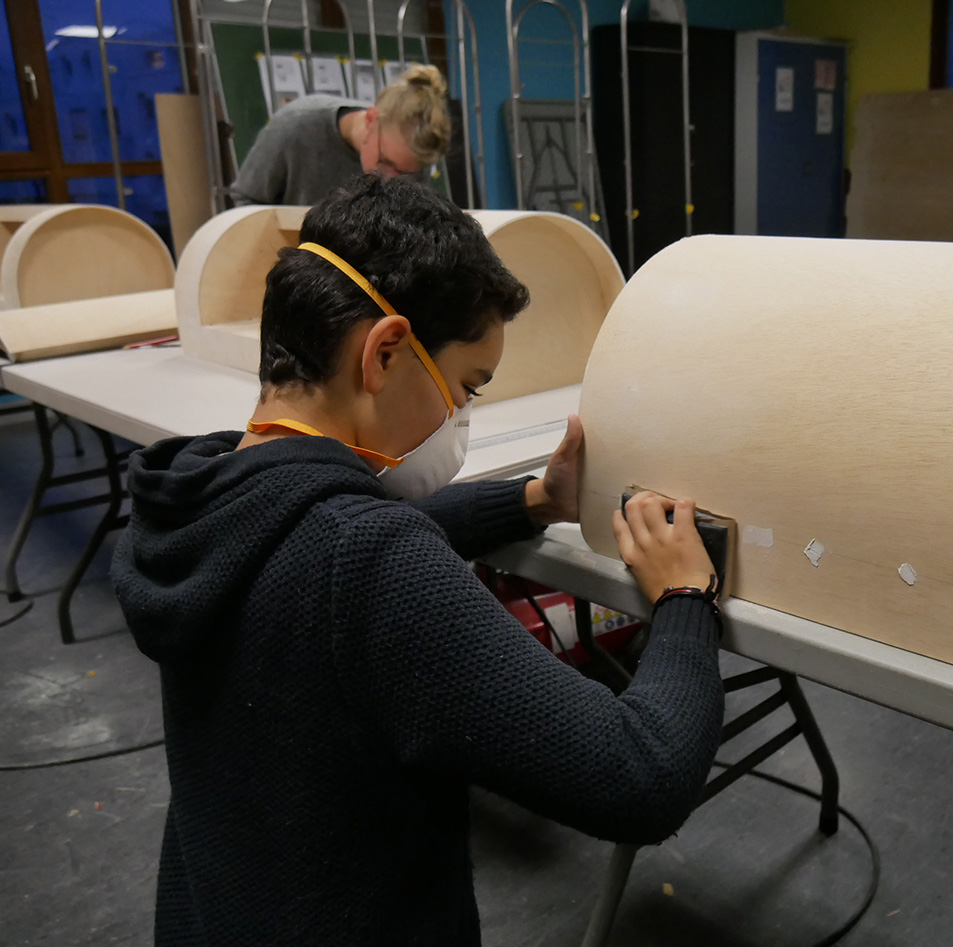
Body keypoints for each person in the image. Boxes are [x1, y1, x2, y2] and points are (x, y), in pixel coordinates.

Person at [112, 173, 727, 945]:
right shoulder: (366, 563)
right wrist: (685, 598)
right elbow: (643, 776)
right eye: (467, 388)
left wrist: (534, 499)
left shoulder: (196, 497)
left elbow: (333, 535)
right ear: (385, 351)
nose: (459, 415)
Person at [229, 64, 451, 206]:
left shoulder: (414, 156)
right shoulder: (295, 127)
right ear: (371, 119)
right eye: (385, 162)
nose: (388, 179)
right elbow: (246, 202)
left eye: (403, 174)